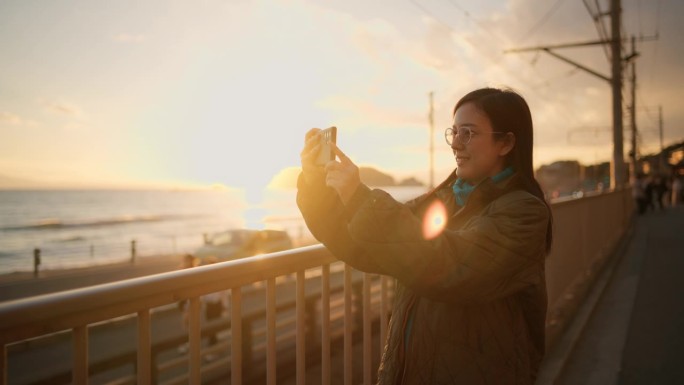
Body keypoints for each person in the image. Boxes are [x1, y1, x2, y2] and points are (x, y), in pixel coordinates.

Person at [297, 87, 553, 384]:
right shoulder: (443, 200)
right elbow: (368, 245)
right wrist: (317, 185)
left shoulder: (524, 213)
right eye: (454, 132)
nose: (455, 144)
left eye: (468, 133)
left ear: (506, 143)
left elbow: (450, 264)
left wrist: (358, 197)